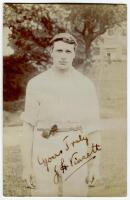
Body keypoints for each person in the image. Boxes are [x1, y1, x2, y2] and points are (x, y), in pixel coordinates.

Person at [21, 32, 101, 196]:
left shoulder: (85, 85)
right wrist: (26, 167)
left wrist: (95, 166)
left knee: (76, 195)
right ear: (51, 52)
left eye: (68, 51)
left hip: (75, 146)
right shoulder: (36, 84)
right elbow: (28, 127)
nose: (63, 56)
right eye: (59, 51)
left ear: (74, 54)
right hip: (44, 146)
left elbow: (93, 129)